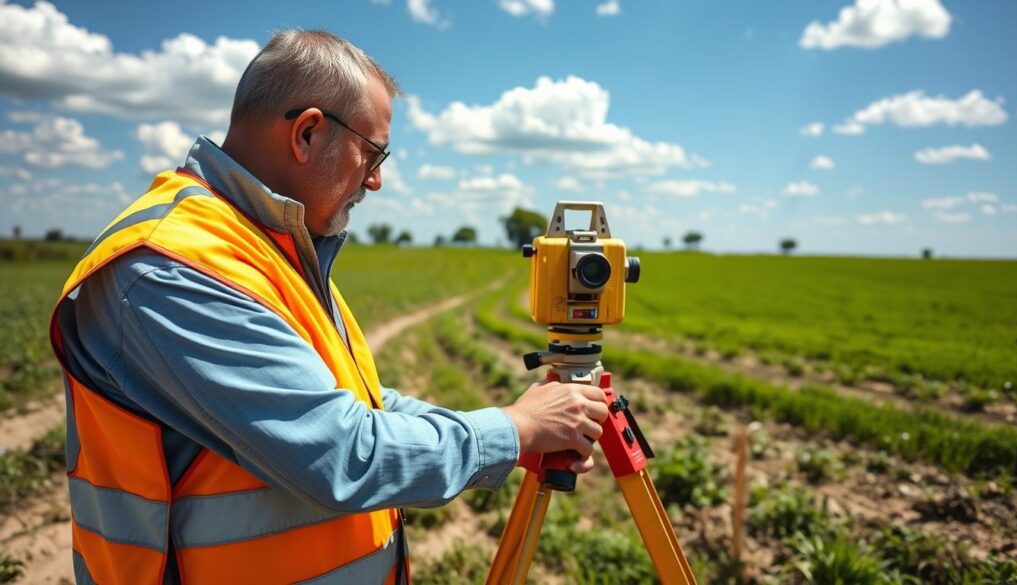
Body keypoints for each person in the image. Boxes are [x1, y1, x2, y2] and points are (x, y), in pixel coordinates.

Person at [50, 29, 609, 585]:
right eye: (373, 152)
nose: (377, 179)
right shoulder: (170, 267)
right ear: (308, 133)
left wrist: (521, 430)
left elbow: (362, 404)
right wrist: (511, 429)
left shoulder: (273, 251)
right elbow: (340, 453)